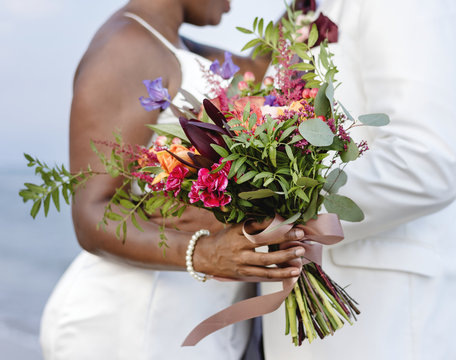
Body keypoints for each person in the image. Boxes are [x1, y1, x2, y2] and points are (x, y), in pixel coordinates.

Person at [39, 1, 306, 359]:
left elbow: (263, 66)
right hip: (130, 327)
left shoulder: (178, 48)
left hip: (192, 325)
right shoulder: (126, 47)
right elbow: (91, 214)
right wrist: (204, 251)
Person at [261, 0, 456, 359]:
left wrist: (271, 209)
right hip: (310, 319)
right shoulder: (300, 11)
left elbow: (427, 160)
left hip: (393, 320)